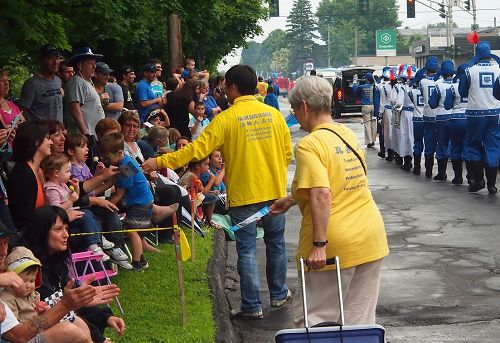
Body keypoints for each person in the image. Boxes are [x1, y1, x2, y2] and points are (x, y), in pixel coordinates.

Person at [142, 64, 293, 319]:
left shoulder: (226, 118)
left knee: (246, 249)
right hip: (275, 193)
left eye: (225, 87)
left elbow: (196, 150)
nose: (223, 90)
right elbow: (287, 153)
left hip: (246, 196)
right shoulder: (274, 115)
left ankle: (251, 306)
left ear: (233, 87)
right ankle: (279, 295)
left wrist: (160, 161)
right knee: (276, 243)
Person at [270, 75, 389, 327]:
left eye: (294, 109)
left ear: (303, 105)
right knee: (359, 323)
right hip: (370, 238)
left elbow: (323, 193)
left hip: (335, 246)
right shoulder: (346, 134)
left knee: (315, 324)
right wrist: (295, 198)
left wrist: (319, 245)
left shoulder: (310, 145)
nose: (295, 114)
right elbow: (340, 181)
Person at [22, 206, 124, 343]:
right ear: (41, 232)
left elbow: (72, 302)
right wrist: (100, 339)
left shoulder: (57, 261)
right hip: (37, 330)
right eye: (58, 229)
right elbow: (64, 310)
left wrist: (106, 317)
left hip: (56, 324)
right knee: (72, 328)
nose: (66, 234)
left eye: (67, 228)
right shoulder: (30, 270)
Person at [0, 220, 107, 343]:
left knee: (75, 321)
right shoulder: (7, 291)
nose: (3, 251)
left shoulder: (20, 283)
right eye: (58, 229)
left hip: (32, 330)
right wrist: (64, 306)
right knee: (68, 330)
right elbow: (19, 335)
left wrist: (70, 303)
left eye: (5, 243)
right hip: (23, 336)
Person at [100, 132, 178, 270]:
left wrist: (109, 204)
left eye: (108, 157)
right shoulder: (126, 161)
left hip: (139, 202)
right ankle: (161, 211)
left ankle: (138, 262)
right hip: (143, 199)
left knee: (133, 232)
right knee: (136, 230)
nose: (106, 160)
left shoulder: (125, 167)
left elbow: (120, 193)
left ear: (118, 153)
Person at [64, 133, 131, 269]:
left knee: (110, 208)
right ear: (71, 151)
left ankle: (116, 248)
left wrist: (101, 176)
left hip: (88, 201)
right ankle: (103, 242)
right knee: (109, 207)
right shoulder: (68, 169)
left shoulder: (84, 166)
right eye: (83, 147)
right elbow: (80, 193)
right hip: (79, 205)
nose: (87, 150)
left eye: (87, 147)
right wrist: (105, 179)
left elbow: (92, 189)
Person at [0, 246, 93, 340]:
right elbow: (19, 333)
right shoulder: (7, 299)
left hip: (37, 328)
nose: (28, 285)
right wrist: (63, 306)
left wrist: (44, 310)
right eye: (23, 281)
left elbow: (38, 314)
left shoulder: (31, 294)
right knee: (69, 330)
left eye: (32, 281)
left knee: (77, 322)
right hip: (28, 335)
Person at [459, 41, 500, 194]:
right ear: (490, 55)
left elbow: (462, 92)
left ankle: (479, 179)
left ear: (477, 55)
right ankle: (492, 184)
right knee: (493, 146)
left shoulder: (470, 71)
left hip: (475, 114)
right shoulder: (498, 69)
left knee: (473, 145)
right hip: (495, 113)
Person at [64, 46, 105, 138]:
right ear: (79, 65)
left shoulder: (86, 82)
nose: (94, 66)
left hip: (92, 135)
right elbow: (75, 109)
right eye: (90, 63)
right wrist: (86, 134)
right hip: (83, 137)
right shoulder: (76, 82)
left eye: (95, 63)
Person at [18, 45, 63, 123]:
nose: (55, 62)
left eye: (57, 57)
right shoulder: (32, 84)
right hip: (41, 133)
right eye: (50, 58)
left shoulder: (58, 81)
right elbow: (22, 111)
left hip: (58, 132)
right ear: (41, 61)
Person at [429, 60, 455, 181]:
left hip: (442, 118)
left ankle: (442, 173)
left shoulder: (439, 85)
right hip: (455, 117)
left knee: (442, 144)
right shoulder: (458, 83)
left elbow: (432, 104)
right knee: (456, 145)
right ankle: (459, 175)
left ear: (442, 73)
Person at [444, 64, 469, 184]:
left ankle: (458, 176)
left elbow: (447, 105)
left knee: (456, 148)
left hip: (456, 119)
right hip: (471, 119)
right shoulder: (473, 86)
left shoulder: (453, 87)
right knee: (470, 148)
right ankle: (472, 177)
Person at [420, 56, 440, 178]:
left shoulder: (423, 82)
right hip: (440, 114)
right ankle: (442, 171)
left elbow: (422, 95)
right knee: (442, 142)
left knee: (429, 143)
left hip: (428, 114)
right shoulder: (440, 81)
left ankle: (428, 171)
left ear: (427, 70)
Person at [408, 69, 426, 175]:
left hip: (417, 120)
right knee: (428, 143)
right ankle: (429, 170)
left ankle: (417, 167)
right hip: (428, 119)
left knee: (417, 143)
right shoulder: (431, 89)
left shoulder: (412, 92)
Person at [353, 72, 377, 148]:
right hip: (374, 106)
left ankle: (369, 142)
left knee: (367, 124)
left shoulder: (362, 87)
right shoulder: (375, 86)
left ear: (367, 79)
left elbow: (354, 91)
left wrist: (355, 82)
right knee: (373, 124)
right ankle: (373, 140)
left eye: (365, 78)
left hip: (366, 106)